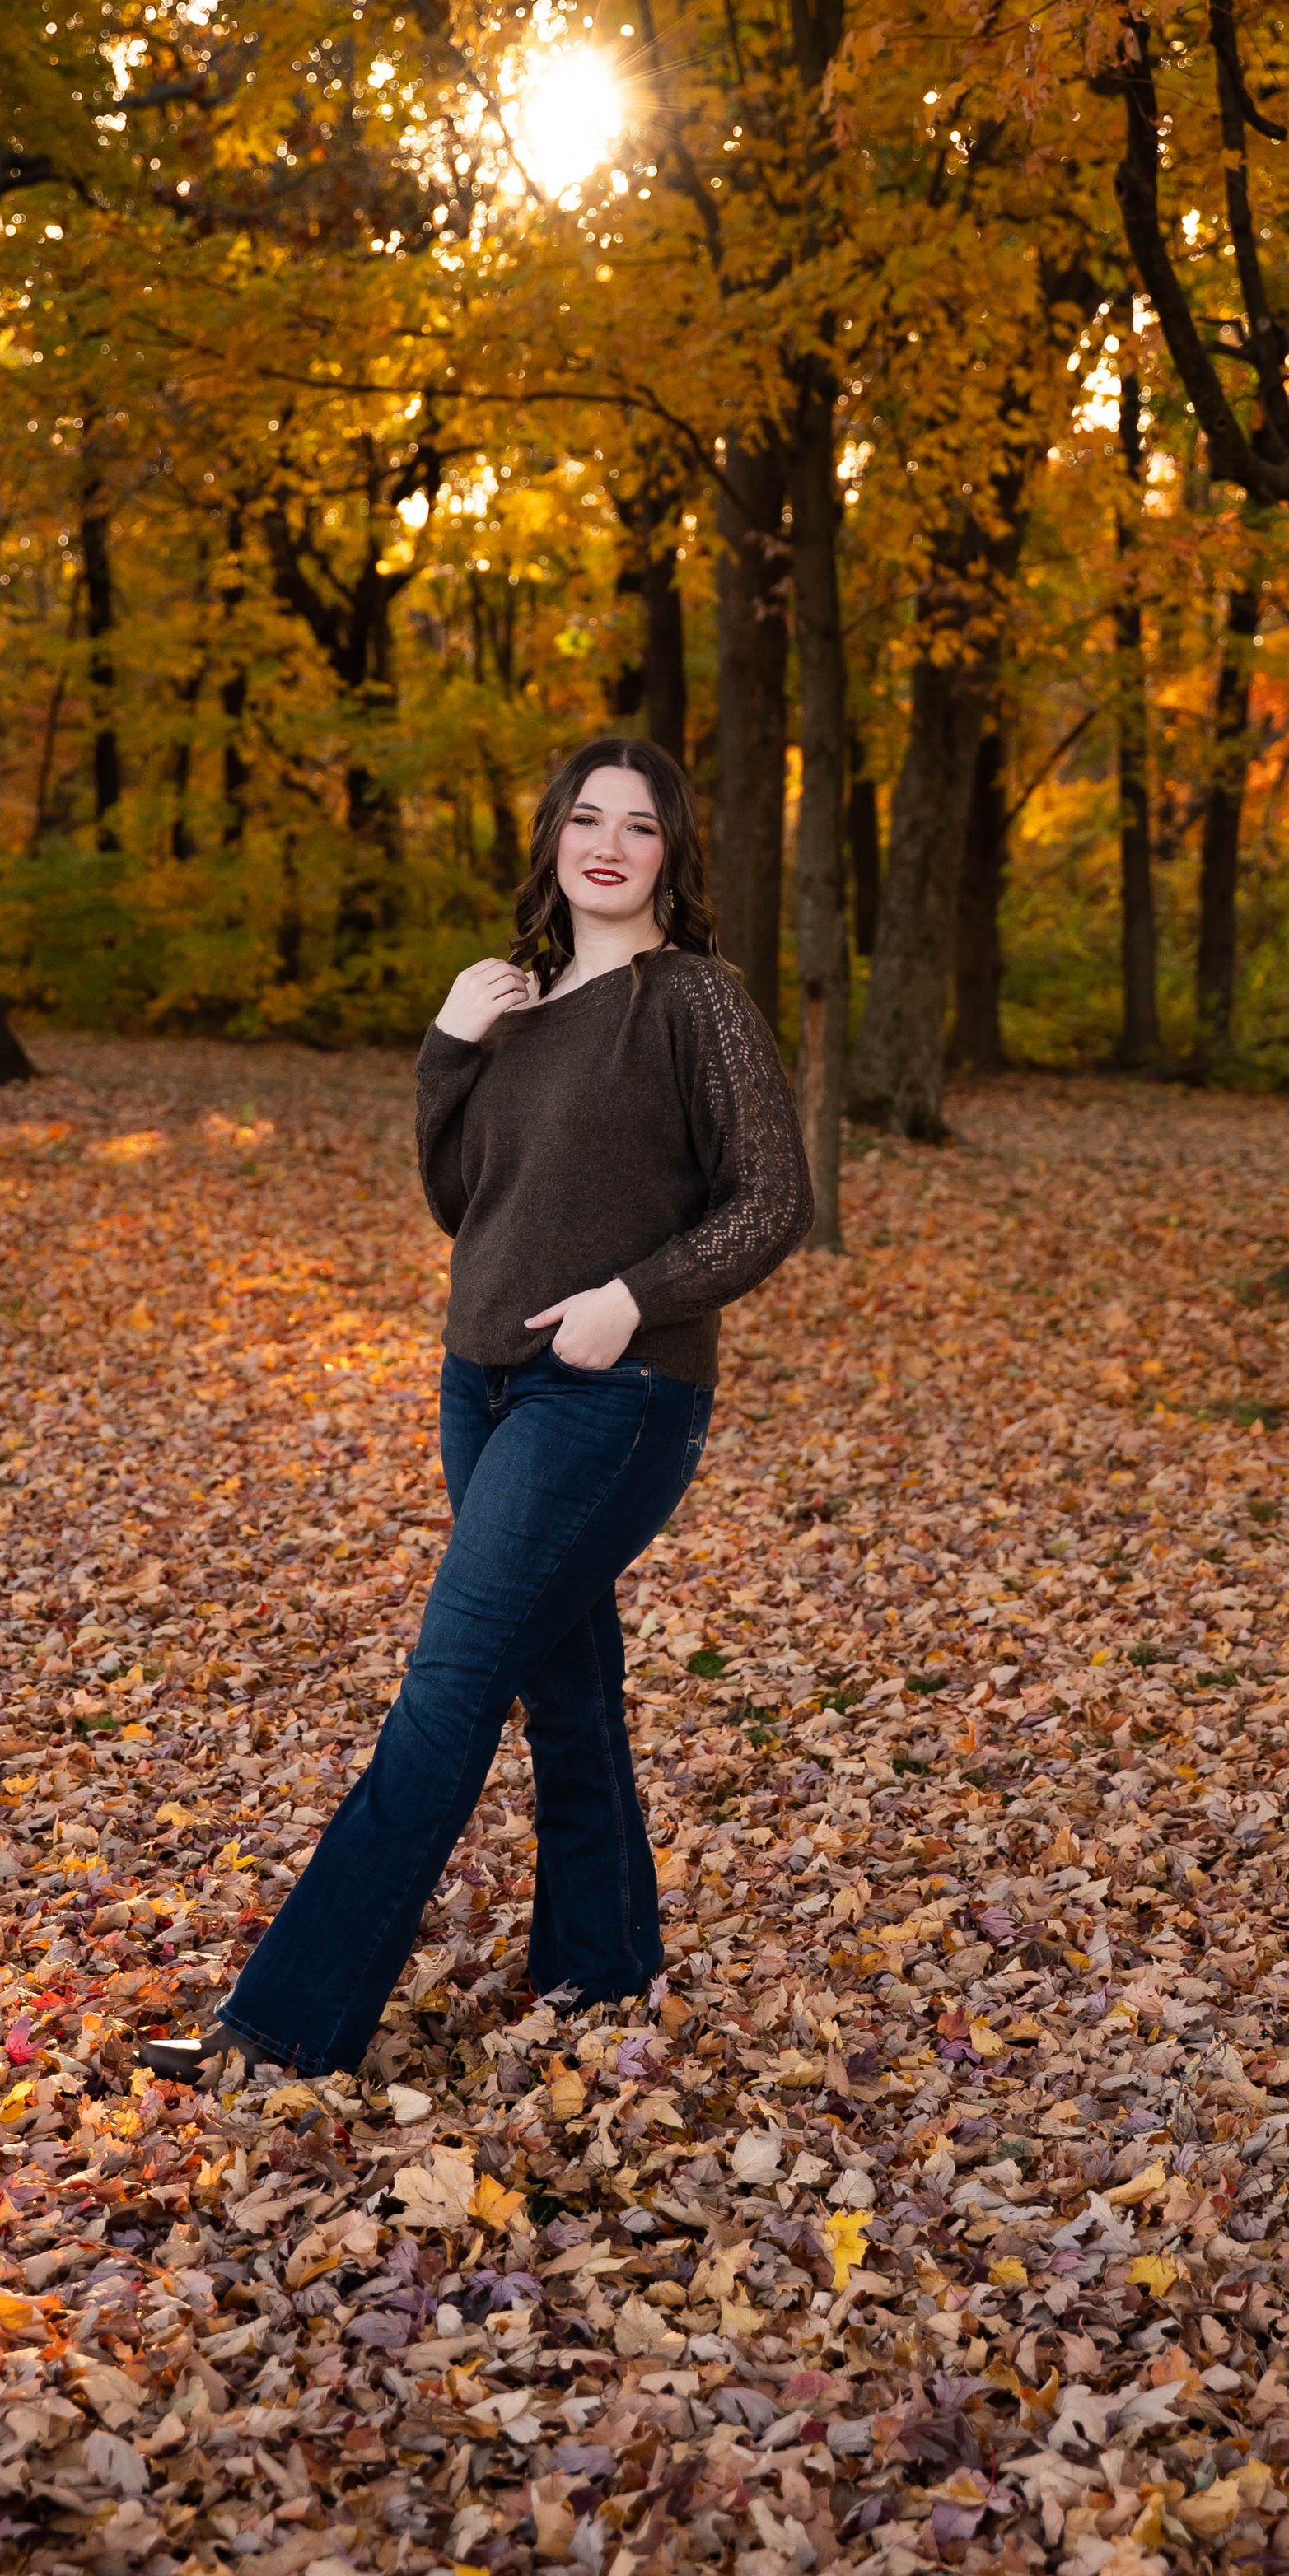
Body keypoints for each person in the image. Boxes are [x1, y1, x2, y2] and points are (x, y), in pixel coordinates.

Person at [142, 738, 812, 2083]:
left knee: (445, 1697)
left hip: (613, 1395)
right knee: (564, 1686)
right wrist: (449, 1045)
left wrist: (639, 1290)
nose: (608, 844)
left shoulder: (694, 1000)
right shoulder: (515, 998)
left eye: (640, 825)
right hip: (482, 1383)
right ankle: (603, 1971)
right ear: (553, 838)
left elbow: (773, 1197)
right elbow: (466, 1203)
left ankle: (280, 2028)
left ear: (673, 854)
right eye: (585, 818)